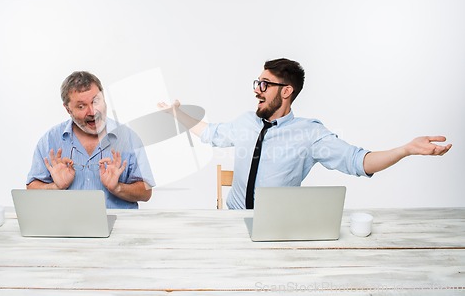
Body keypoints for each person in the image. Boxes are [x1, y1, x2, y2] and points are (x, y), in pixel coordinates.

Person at [158, 58, 452, 209]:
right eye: (257, 82)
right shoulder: (246, 122)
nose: (256, 90)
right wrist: (176, 115)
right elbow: (211, 133)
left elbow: (358, 162)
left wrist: (405, 149)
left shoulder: (309, 134)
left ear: (286, 91)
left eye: (264, 84)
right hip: (232, 224)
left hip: (276, 229)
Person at [27, 71, 155, 208]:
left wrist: (117, 187)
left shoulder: (128, 138)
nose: (92, 112)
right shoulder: (49, 140)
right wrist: (55, 187)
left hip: (119, 226)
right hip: (66, 227)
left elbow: (146, 193)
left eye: (96, 101)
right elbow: (31, 189)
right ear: (68, 109)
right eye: (81, 106)